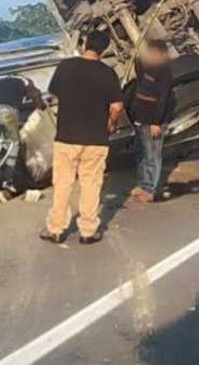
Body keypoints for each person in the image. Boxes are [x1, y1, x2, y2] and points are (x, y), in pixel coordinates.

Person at [40, 30, 124, 245]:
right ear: (103, 50)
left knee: (63, 184)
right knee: (91, 184)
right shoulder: (108, 73)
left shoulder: (66, 67)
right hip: (96, 139)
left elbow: (54, 97)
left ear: (85, 44)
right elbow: (116, 107)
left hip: (67, 137)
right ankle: (88, 231)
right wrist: (112, 124)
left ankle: (56, 229)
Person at [0, 74, 46, 193]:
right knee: (13, 151)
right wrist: (41, 106)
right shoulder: (25, 81)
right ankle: (15, 183)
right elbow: (35, 95)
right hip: (8, 115)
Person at [129, 40, 173, 203]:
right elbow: (138, 67)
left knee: (152, 155)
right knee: (141, 153)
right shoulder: (147, 68)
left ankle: (150, 189)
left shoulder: (164, 72)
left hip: (154, 121)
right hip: (140, 118)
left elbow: (162, 99)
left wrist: (156, 122)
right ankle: (142, 183)